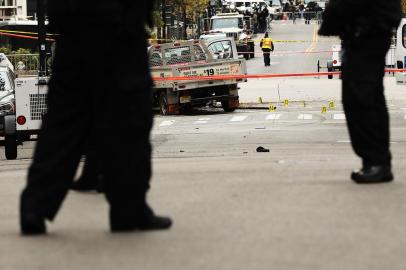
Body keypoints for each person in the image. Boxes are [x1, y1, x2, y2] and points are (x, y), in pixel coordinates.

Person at [19, 0, 172, 235]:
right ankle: (128, 209)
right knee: (128, 125)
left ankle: (35, 207)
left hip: (73, 30)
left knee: (63, 123)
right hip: (119, 32)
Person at [319, 0, 402, 184]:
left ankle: (375, 162)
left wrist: (333, 19)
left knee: (360, 98)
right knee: (368, 97)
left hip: (367, 33)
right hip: (367, 32)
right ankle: (377, 161)